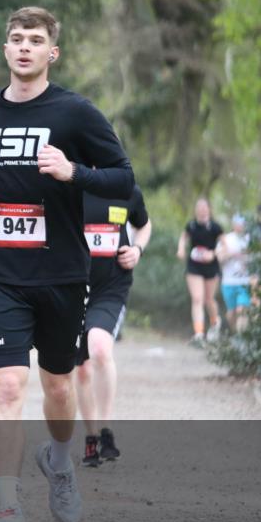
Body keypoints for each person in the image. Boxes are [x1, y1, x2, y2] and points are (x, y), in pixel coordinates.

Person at [0, 7, 134, 522]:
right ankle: (8, 508)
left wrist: (74, 173)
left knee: (57, 386)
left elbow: (123, 181)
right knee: (9, 387)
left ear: (52, 52)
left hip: (61, 273)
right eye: (16, 39)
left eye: (36, 40)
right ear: (5, 49)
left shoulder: (76, 113)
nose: (25, 47)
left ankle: (59, 463)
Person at [74, 186, 152, 467]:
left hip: (110, 287)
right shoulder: (66, 183)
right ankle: (91, 436)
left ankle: (106, 430)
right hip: (71, 287)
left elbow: (143, 224)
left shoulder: (125, 187)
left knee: (100, 348)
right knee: (80, 369)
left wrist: (137, 249)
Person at [177, 198, 224, 347]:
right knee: (197, 299)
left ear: (209, 209)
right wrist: (181, 248)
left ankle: (215, 323)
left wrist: (213, 253)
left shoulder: (216, 227)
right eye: (199, 207)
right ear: (196, 209)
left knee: (208, 299)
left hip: (211, 267)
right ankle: (198, 334)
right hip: (194, 266)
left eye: (205, 207)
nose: (202, 209)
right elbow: (183, 237)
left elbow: (224, 245)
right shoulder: (191, 225)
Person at [217, 213, 251, 333]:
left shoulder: (250, 239)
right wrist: (231, 254)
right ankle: (235, 334)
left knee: (241, 310)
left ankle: (242, 339)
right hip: (229, 281)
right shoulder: (226, 239)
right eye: (237, 223)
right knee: (231, 313)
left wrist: (246, 257)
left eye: (242, 224)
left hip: (244, 281)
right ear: (233, 224)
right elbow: (219, 258)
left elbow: (256, 259)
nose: (240, 226)